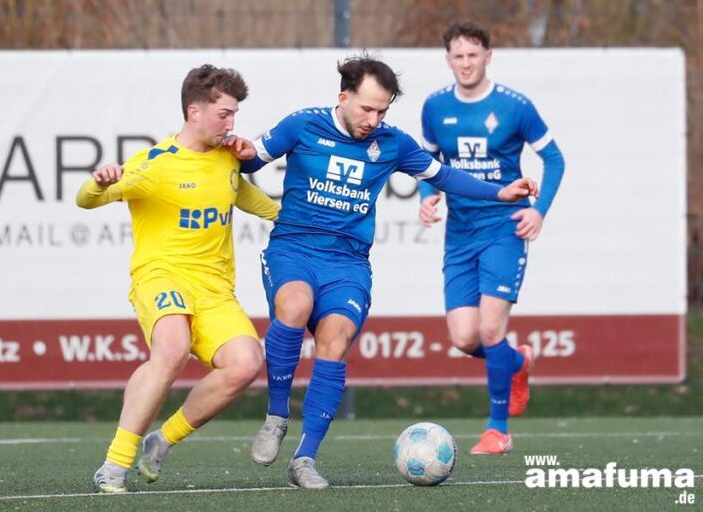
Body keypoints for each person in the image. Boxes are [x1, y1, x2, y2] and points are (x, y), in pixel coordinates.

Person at [231, 54, 537, 489]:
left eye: (382, 111)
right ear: (344, 97)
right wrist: (238, 150)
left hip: (348, 263)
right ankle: (277, 415)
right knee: (295, 307)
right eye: (367, 108)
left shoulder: (392, 143)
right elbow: (250, 161)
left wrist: (501, 192)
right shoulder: (302, 124)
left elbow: (445, 176)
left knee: (335, 341)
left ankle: (305, 459)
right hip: (294, 249)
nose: (374, 120)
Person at [77, 64, 280, 493]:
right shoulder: (155, 164)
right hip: (161, 276)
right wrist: (99, 183)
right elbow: (86, 201)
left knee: (245, 363)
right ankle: (114, 465)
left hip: (215, 290)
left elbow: (242, 195)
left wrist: (289, 219)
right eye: (224, 114)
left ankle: (163, 439)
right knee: (171, 349)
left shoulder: (227, 158)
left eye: (234, 114)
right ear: (194, 112)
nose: (231, 123)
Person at [417, 21, 565, 455]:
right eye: (458, 56)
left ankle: (497, 430)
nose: (466, 63)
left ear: (488, 56)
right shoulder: (434, 107)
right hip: (460, 234)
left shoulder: (515, 107)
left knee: (489, 327)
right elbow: (428, 163)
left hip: (504, 228)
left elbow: (555, 160)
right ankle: (517, 362)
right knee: (465, 338)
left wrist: (538, 210)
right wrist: (427, 198)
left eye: (473, 55)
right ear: (448, 60)